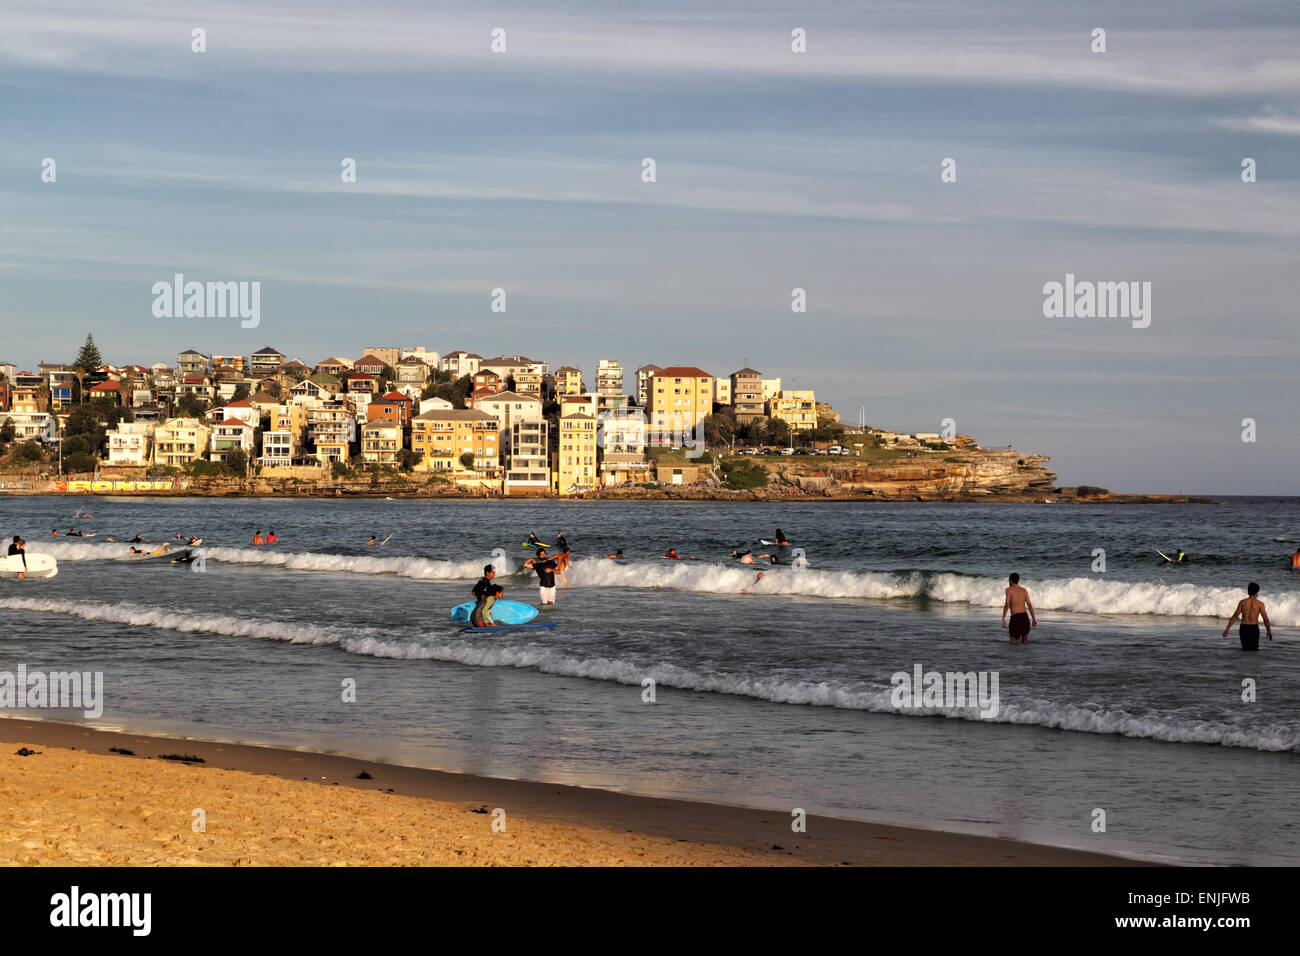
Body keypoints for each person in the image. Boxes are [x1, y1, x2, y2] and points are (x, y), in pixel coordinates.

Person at [1223, 583, 1272, 651]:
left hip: (1244, 628)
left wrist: (1227, 628)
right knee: (1254, 650)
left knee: (1245, 649)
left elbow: (1235, 616)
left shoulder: (1242, 602)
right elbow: (1265, 619)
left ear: (1248, 591)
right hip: (1254, 628)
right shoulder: (1260, 604)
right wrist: (1269, 631)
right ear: (1257, 592)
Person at [1001, 573, 1037, 644]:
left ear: (1010, 581)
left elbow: (1007, 604)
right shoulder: (1024, 590)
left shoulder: (1009, 590)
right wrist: (1033, 618)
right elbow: (1029, 605)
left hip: (1015, 617)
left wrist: (1003, 618)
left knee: (1013, 643)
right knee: (1025, 642)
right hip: (1024, 617)